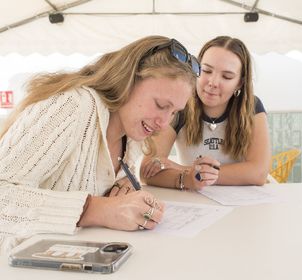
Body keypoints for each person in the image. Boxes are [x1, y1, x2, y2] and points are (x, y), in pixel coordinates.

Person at [0, 35, 199, 252]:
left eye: (173, 113)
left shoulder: (130, 134)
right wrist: (95, 209)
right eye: (161, 105)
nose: (163, 124)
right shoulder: (73, 106)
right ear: (128, 81)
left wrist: (124, 189)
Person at [141, 36, 270, 190]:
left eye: (227, 76)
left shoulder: (252, 107)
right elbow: (147, 171)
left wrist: (185, 170)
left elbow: (259, 173)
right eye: (207, 71)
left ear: (239, 83)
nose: (213, 82)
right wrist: (188, 179)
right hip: (195, 201)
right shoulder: (180, 105)